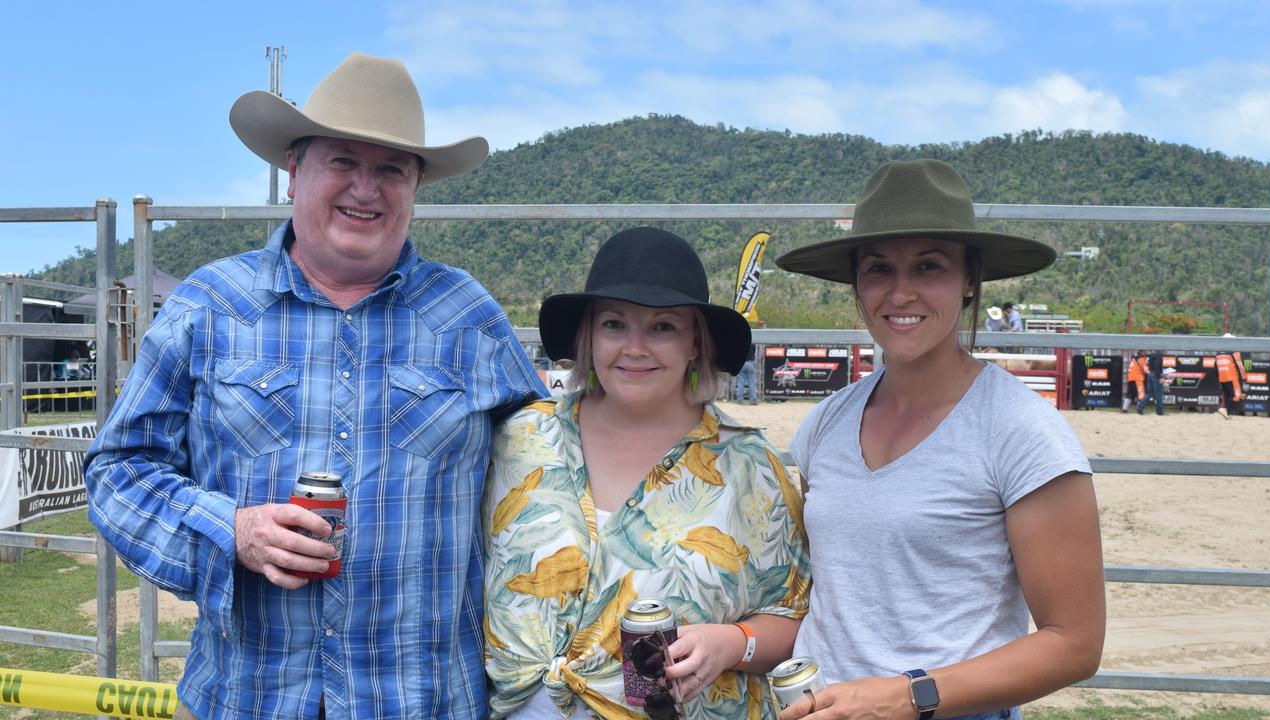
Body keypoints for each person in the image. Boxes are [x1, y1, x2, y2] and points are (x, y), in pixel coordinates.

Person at [84, 53, 545, 720]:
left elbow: (550, 479)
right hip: (246, 700)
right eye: (343, 162)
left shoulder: (468, 318)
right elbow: (118, 471)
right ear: (294, 170)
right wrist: (230, 530)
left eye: (392, 168)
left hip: (425, 702)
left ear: (416, 187)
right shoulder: (209, 306)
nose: (367, 188)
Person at [774, 159, 1104, 720]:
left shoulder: (1022, 432)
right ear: (856, 283)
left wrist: (904, 697)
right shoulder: (826, 424)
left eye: (928, 267)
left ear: (969, 280)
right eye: (878, 269)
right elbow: (812, 593)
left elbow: (1074, 642)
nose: (900, 293)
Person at [483, 227, 810, 719]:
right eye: (614, 324)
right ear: (589, 337)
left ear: (697, 344)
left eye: (663, 328)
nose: (635, 347)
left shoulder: (752, 469)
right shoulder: (520, 439)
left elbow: (795, 620)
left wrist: (729, 643)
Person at [1215, 336, 1248, 419]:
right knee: (1236, 396)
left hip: (1222, 378)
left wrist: (1217, 379)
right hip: (1232, 377)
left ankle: (1227, 414)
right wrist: (1244, 377)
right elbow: (1239, 366)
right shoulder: (1233, 351)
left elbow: (1215, 367)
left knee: (1227, 396)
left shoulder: (1218, 353)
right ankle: (1223, 408)